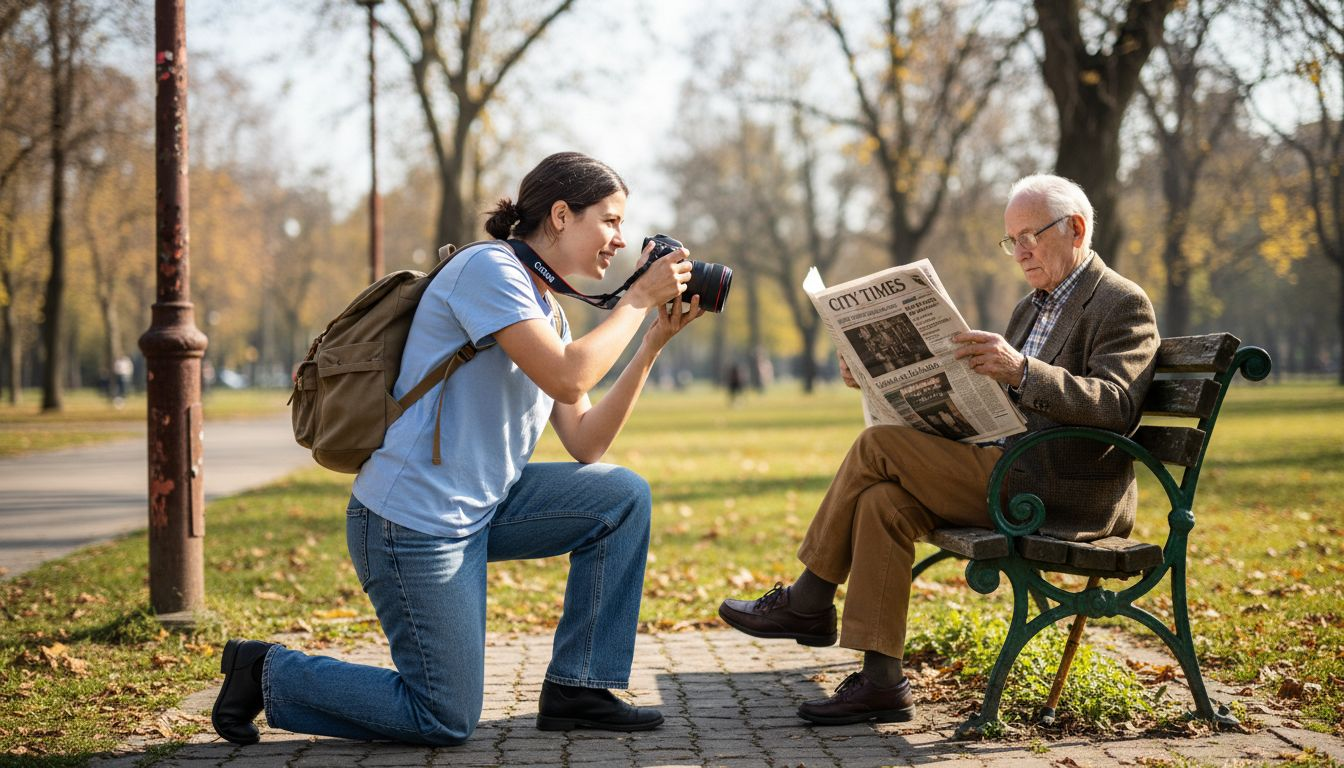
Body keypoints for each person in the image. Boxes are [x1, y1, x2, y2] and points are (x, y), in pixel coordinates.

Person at [213, 152, 705, 746]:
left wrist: (650, 343)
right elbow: (569, 378)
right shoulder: (488, 270)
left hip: (483, 509)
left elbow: (586, 441)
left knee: (620, 496)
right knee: (443, 717)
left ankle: (580, 687)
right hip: (413, 525)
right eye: (609, 220)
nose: (620, 241)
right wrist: (635, 301)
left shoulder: (547, 308)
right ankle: (264, 673)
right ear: (559, 215)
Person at [717, 174, 1159, 725]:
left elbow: (1117, 405)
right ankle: (881, 682)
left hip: (1057, 489)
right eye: (1011, 239)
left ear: (1075, 228)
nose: (1019, 251)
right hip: (1007, 467)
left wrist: (1022, 369)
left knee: (877, 447)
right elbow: (995, 400)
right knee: (883, 502)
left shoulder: (1120, 302)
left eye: (1030, 235)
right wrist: (882, 379)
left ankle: (810, 598)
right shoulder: (1031, 307)